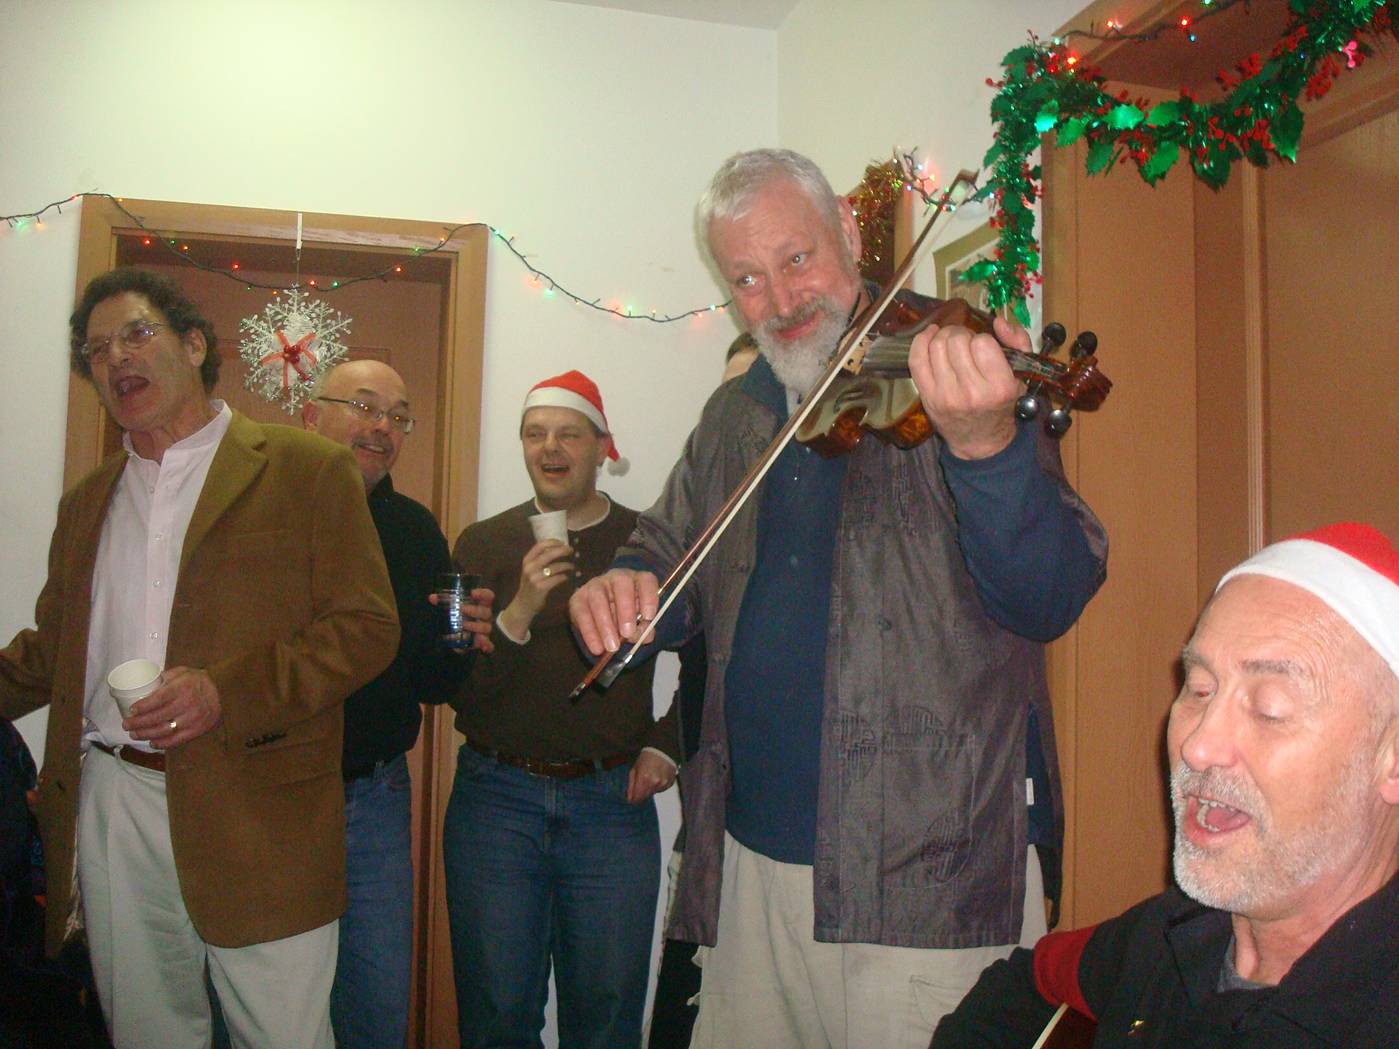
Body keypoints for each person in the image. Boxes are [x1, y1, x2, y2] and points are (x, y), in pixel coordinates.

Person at [570, 148, 1108, 1048]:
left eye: (796, 259)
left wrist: (986, 450)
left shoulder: (944, 373)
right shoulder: (738, 410)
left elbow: (1051, 592)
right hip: (748, 869)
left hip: (921, 877)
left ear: (851, 235)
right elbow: (666, 553)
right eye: (745, 278)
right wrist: (629, 581)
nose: (780, 301)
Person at [0, 268, 400, 1049]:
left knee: (283, 1036)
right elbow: (55, 650)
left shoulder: (304, 468)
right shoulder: (87, 501)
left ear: (193, 344)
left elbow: (365, 626)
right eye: (96, 348)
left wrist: (227, 691)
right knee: (148, 1034)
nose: (116, 357)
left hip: (261, 809)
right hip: (113, 802)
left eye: (136, 334)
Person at [932, 522, 1399, 1048]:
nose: (1196, 746)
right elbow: (1025, 984)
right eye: (1199, 689)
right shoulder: (1171, 934)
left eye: (1269, 709)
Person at [443, 370, 680, 1048]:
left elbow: (709, 658)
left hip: (609, 804)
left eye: (567, 433)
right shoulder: (477, 544)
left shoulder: (650, 542)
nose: (549, 448)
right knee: (494, 1016)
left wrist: (668, 743)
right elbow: (455, 686)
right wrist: (517, 608)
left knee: (605, 1021)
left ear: (601, 446)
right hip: (494, 801)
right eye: (534, 433)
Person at [302, 359, 493, 1049]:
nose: (381, 426)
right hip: (274, 793)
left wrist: (463, 641)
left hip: (375, 797)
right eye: (363, 405)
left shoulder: (414, 529)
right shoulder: (265, 511)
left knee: (377, 1007)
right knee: (270, 1006)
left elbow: (433, 685)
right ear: (310, 413)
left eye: (398, 415)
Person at [647, 332, 758, 1049]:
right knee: (686, 1007)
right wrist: (664, 735)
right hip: (712, 800)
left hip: (780, 822)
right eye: (729, 398)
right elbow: (696, 663)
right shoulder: (710, 511)